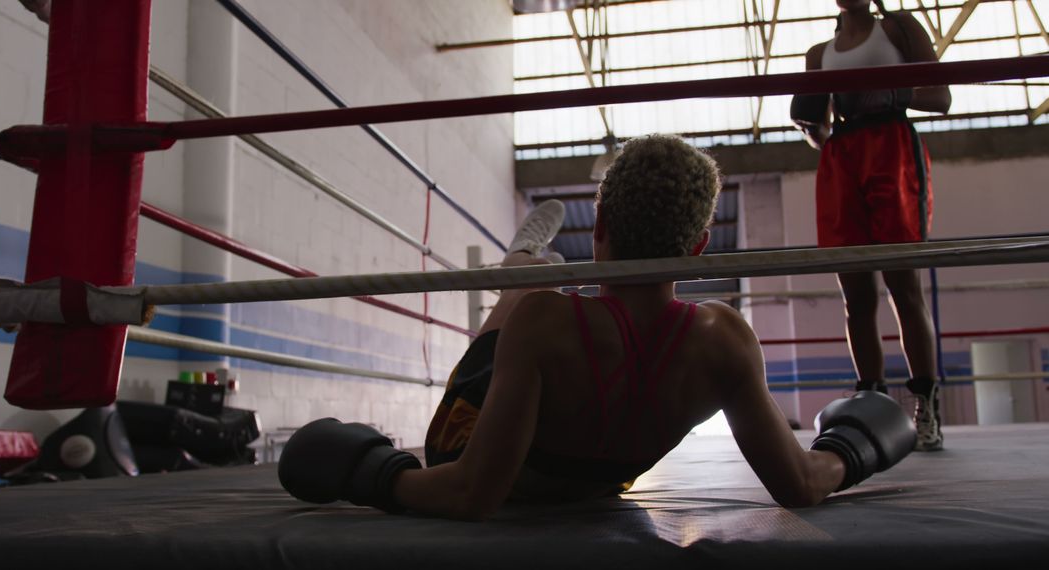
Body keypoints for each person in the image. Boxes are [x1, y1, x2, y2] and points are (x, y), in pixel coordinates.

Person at [276, 135, 916, 519]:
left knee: (527, 299)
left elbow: (472, 493)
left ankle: (524, 263)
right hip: (599, 483)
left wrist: (371, 474)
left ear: (600, 223)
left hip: (476, 454)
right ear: (698, 248)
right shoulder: (725, 340)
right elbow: (802, 486)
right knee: (534, 302)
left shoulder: (546, 323)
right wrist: (854, 449)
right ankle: (527, 264)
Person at [790, 0, 952, 451]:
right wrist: (810, 124)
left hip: (892, 152)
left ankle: (925, 405)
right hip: (842, 160)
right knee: (855, 294)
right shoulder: (818, 53)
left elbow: (941, 98)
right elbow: (815, 129)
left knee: (904, 286)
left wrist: (895, 94)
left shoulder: (899, 29)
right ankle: (872, 403)